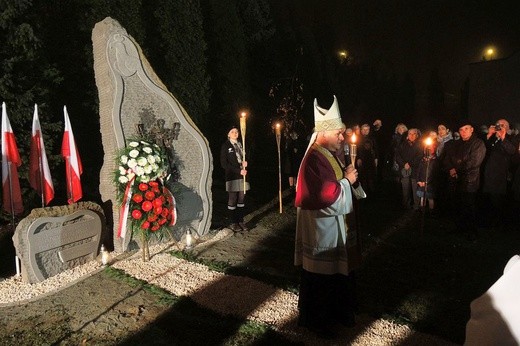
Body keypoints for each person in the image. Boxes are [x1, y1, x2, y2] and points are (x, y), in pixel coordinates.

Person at [294, 95, 366, 339]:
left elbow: (336, 184)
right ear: (325, 133)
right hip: (322, 230)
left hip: (331, 226)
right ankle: (319, 322)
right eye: (339, 133)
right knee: (322, 278)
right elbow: (325, 195)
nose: (342, 138)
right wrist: (347, 181)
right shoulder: (315, 158)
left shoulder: (326, 153)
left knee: (334, 275)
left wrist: (348, 179)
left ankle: (337, 315)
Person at [443, 121, 486, 240]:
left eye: (466, 129)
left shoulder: (478, 143)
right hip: (457, 181)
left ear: (472, 129)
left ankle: (472, 232)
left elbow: (474, 162)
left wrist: (456, 168)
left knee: (470, 207)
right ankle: (460, 227)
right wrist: (451, 168)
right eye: (461, 130)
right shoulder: (458, 144)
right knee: (458, 206)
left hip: (470, 181)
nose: (463, 132)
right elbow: (450, 158)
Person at [480, 119, 516, 230]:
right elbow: (482, 148)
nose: (499, 127)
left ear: (508, 127)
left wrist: (503, 137)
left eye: (502, 125)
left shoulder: (511, 138)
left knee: (498, 200)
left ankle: (499, 224)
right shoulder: (491, 138)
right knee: (486, 199)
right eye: (497, 125)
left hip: (500, 174)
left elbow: (512, 151)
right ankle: (487, 223)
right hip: (487, 173)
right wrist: (489, 134)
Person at [220, 125, 250, 231]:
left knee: (242, 198)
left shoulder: (241, 144)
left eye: (236, 131)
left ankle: (240, 220)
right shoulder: (226, 146)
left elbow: (245, 157)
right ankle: (233, 222)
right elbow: (224, 164)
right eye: (232, 132)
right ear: (228, 134)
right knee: (233, 198)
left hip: (243, 175)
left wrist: (245, 163)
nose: (235, 133)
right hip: (232, 176)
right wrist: (238, 170)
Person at [395, 128, 423, 210]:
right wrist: (404, 164)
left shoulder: (420, 145)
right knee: (405, 188)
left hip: (415, 170)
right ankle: (406, 204)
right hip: (404, 170)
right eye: (410, 133)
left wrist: (410, 163)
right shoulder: (402, 144)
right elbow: (397, 156)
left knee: (415, 188)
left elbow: (420, 156)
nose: (412, 135)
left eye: (414, 134)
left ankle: (416, 205)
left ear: (417, 135)